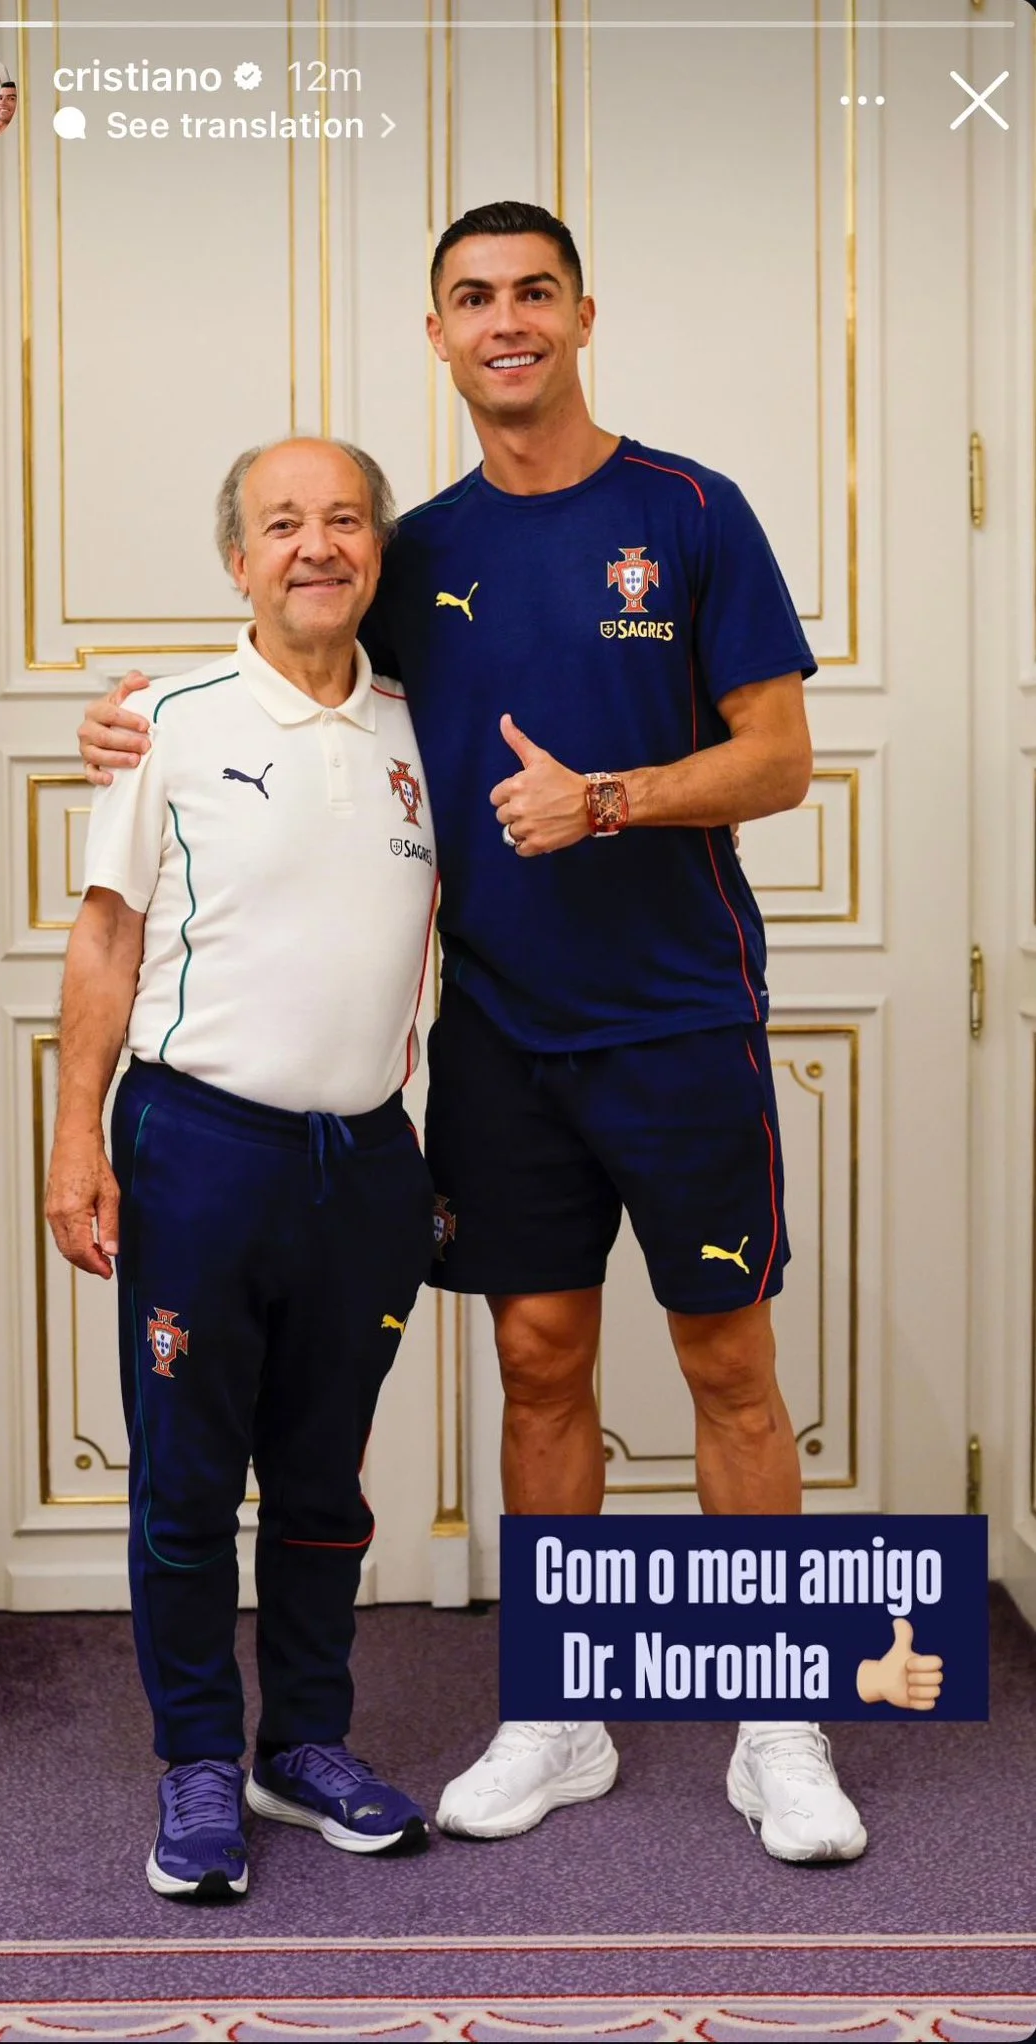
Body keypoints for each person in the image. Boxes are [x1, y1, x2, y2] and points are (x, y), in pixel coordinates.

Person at [79, 200, 867, 1867]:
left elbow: (782, 759)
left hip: (678, 1021)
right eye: (469, 299)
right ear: (434, 335)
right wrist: (137, 711)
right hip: (500, 1044)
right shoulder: (414, 545)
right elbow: (289, 654)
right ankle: (556, 1714)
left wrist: (615, 799)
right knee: (537, 1363)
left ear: (582, 313)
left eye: (531, 293)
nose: (503, 321)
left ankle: (778, 1729)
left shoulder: (692, 513)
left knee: (728, 1363)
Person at [50, 436, 437, 1901]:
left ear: (378, 553)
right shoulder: (167, 718)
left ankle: (308, 1746)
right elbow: (107, 933)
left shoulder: (425, 729)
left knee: (327, 1479)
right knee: (188, 1481)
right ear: (237, 559)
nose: (315, 547)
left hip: (369, 1162)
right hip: (199, 1147)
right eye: (282, 524)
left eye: (343, 521)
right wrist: (73, 1131)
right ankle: (201, 1761)